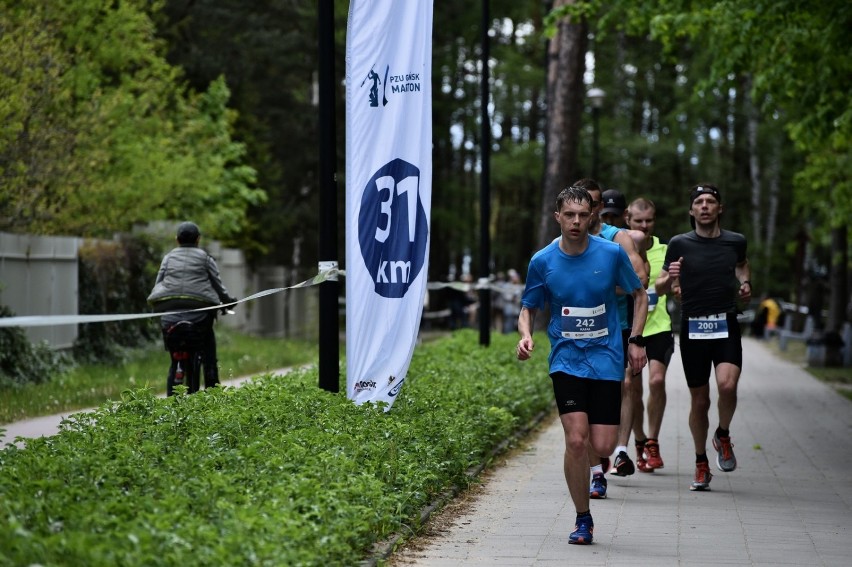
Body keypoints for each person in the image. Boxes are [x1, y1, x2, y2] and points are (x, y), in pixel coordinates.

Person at [516, 184, 648, 545]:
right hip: (567, 360)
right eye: (568, 215)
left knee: (602, 446)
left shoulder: (610, 254)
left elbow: (638, 294)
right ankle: (582, 518)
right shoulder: (542, 261)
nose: (575, 221)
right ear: (557, 217)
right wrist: (525, 335)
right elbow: (528, 306)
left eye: (582, 215)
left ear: (592, 216)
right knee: (576, 441)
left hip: (606, 358)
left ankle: (598, 464)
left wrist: (635, 340)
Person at [655, 184, 751, 491]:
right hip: (693, 327)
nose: (705, 206)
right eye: (699, 201)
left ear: (719, 208)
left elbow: (742, 265)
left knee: (727, 384)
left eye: (711, 201)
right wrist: (670, 277)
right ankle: (700, 463)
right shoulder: (679, 244)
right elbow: (658, 287)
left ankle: (722, 434)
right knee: (700, 399)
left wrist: (745, 283)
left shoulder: (735, 241)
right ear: (692, 210)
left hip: (725, 323)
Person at [148, 221, 237, 391]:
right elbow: (218, 286)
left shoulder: (167, 258)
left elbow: (158, 285)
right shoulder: (205, 258)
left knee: (174, 359)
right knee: (208, 347)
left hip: (170, 319)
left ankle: (176, 372)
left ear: (177, 240)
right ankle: (212, 387)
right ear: (198, 240)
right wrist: (228, 301)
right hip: (199, 319)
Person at [626, 197, 675, 472]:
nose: (644, 227)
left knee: (657, 382)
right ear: (628, 220)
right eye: (638, 221)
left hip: (659, 328)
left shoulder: (666, 250)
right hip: (632, 328)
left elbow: (673, 287)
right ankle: (639, 440)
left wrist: (675, 286)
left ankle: (653, 441)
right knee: (633, 389)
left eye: (649, 221)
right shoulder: (620, 248)